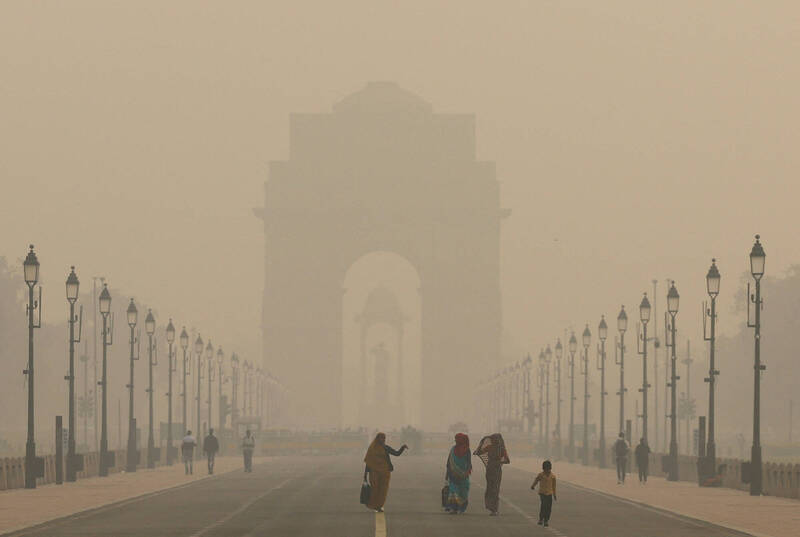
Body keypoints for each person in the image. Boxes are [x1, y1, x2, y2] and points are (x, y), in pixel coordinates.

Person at [363, 432, 408, 512]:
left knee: (383, 490)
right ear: (377, 439)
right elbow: (368, 462)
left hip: (385, 473)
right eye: (381, 438)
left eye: (384, 438)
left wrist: (402, 448)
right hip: (374, 473)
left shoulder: (385, 448)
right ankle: (374, 505)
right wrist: (365, 475)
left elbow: (396, 453)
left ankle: (379, 506)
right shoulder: (372, 449)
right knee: (375, 489)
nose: (383, 440)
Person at [474, 433, 510, 516]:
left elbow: (507, 460)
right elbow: (478, 452)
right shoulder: (492, 447)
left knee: (495, 489)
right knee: (491, 488)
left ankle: (494, 509)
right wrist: (481, 443)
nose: (495, 441)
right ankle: (492, 508)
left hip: (495, 470)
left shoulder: (501, 449)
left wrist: (498, 462)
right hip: (491, 470)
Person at [444, 433, 472, 514]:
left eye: (457, 439)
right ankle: (453, 508)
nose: (455, 440)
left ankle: (461, 508)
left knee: (463, 492)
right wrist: (447, 476)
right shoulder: (453, 449)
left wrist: (467, 472)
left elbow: (469, 463)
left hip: (463, 476)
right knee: (453, 492)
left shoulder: (467, 450)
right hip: (453, 475)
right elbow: (448, 463)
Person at [531, 460, 557, 527]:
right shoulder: (541, 475)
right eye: (545, 469)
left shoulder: (553, 476)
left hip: (549, 493)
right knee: (544, 505)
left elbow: (554, 486)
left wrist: (554, 495)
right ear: (543, 468)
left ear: (550, 468)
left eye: (548, 469)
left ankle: (546, 520)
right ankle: (541, 519)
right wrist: (533, 486)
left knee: (549, 507)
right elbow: (536, 480)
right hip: (542, 493)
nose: (547, 471)